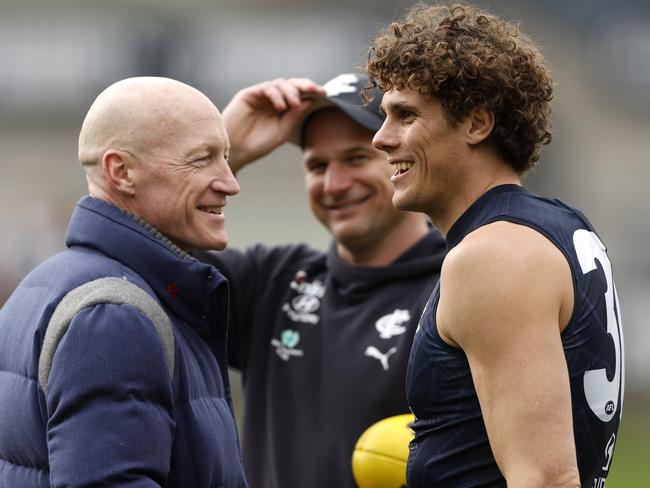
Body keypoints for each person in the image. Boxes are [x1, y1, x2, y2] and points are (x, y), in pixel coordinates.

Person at [366, 4, 624, 487]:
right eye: (384, 115)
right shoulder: (562, 224)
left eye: (405, 115)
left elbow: (545, 478)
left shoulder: (493, 255)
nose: (381, 139)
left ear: (477, 124)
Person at [195, 73, 446, 488]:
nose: (334, 184)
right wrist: (224, 152)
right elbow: (143, 258)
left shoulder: (457, 287)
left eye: (355, 158)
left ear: (403, 158)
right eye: (317, 165)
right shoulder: (272, 282)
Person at [0, 77, 247, 487]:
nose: (230, 182)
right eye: (201, 159)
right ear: (122, 171)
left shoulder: (46, 283)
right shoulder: (114, 316)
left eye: (226, 157)